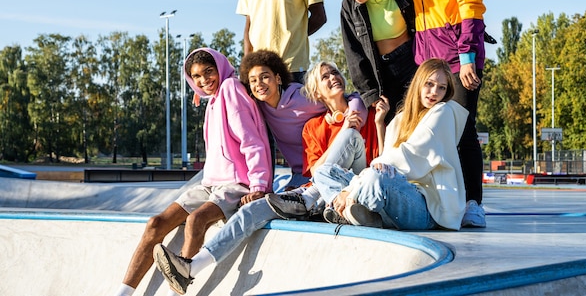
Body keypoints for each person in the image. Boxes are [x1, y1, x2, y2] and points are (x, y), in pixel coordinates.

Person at [152, 62, 389, 295]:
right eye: (325, 77)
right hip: (318, 188)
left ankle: (309, 201)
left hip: (356, 182)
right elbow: (315, 170)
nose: (332, 78)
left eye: (335, 73)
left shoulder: (363, 111)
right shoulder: (312, 127)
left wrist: (377, 123)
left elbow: (379, 159)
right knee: (251, 210)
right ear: (316, 93)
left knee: (349, 135)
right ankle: (191, 268)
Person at [113, 48, 272, 296]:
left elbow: (251, 141)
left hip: (237, 184)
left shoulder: (230, 88)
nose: (203, 80)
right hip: (210, 184)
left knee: (196, 220)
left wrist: (259, 186)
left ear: (219, 68)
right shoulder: (213, 101)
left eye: (209, 72)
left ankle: (179, 288)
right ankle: (122, 293)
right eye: (196, 77)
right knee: (156, 224)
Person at [396, 0, 487, 227]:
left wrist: (467, 58)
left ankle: (474, 204)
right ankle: (439, 200)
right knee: (428, 131)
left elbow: (471, 8)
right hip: (428, 64)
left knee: (462, 131)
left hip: (458, 62)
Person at [318, 58, 468, 231]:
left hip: (425, 209)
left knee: (376, 178)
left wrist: (352, 189)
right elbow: (385, 161)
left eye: (442, 87)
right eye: (429, 83)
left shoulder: (443, 112)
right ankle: (359, 213)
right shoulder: (400, 119)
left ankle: (346, 208)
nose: (434, 92)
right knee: (325, 171)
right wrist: (379, 124)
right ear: (418, 83)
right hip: (393, 197)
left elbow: (409, 156)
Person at [239, 50, 365, 190]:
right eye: (253, 81)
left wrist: (345, 117)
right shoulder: (259, 107)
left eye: (265, 77)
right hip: (299, 173)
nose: (259, 84)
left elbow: (348, 97)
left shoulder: (301, 98)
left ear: (278, 79)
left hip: (327, 163)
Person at [340, 0, 417, 124]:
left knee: (416, 123)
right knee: (391, 128)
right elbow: (353, 53)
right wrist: (370, 93)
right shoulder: (348, 6)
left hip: (410, 65)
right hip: (380, 73)